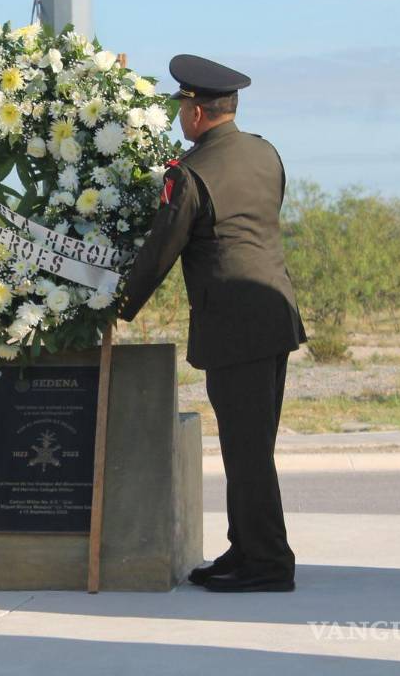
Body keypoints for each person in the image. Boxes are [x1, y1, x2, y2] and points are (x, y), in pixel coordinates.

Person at [118, 55, 306, 593]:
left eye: (182, 106)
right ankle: (245, 548)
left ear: (196, 111)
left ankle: (269, 563)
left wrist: (120, 305)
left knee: (246, 451)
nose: (181, 116)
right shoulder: (265, 153)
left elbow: (162, 250)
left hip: (234, 326)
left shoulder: (191, 172)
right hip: (276, 317)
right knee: (252, 445)